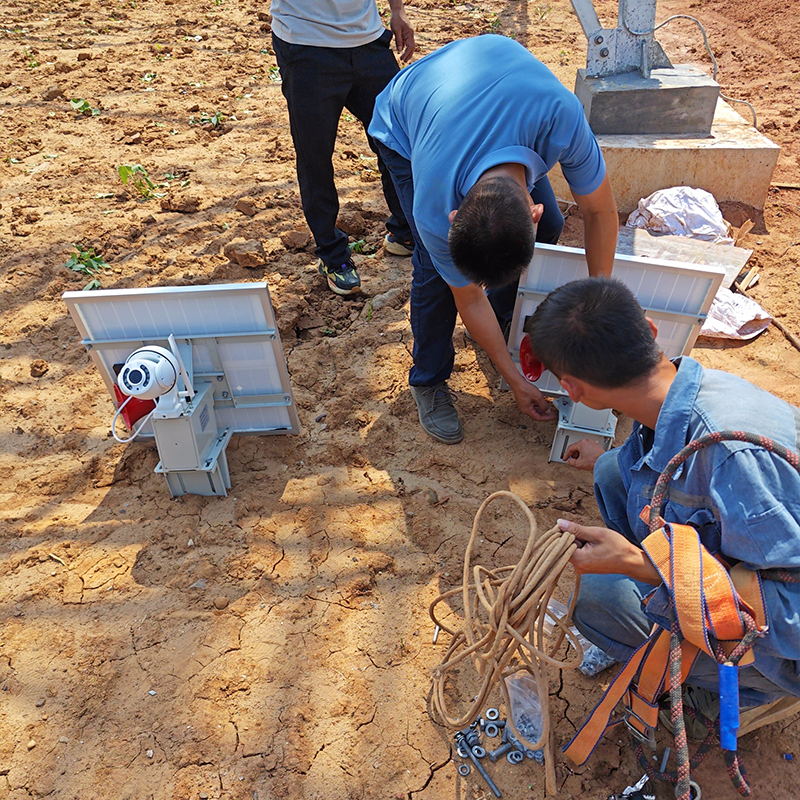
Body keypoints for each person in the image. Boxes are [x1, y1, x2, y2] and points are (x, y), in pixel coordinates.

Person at [524, 276, 800, 713]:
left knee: (598, 601)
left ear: (572, 389)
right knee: (614, 470)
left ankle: (717, 693)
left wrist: (643, 567)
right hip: (744, 558)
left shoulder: (731, 458)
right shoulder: (685, 390)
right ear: (650, 330)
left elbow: (791, 616)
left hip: (779, 650)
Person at [368, 34, 618, 444]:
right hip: (404, 115)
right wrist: (514, 378)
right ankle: (428, 380)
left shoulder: (562, 117)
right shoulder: (434, 205)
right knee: (434, 272)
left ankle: (502, 323)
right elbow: (467, 295)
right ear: (453, 217)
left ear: (532, 210)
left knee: (556, 225)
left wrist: (601, 301)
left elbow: (601, 212)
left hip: (495, 84)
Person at [270, 0, 416, 296]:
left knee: (399, 142)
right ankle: (333, 256)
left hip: (368, 40)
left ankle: (405, 230)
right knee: (315, 157)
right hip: (305, 43)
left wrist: (397, 10)